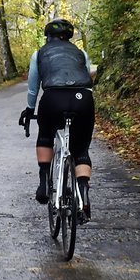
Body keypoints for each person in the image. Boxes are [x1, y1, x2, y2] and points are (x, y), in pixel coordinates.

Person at [19, 18, 95, 220]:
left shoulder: (40, 54)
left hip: (53, 98)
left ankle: (44, 183)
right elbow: (88, 76)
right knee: (81, 149)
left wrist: (29, 110)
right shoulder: (81, 53)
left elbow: (33, 87)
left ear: (48, 37)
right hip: (83, 98)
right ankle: (83, 196)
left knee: (45, 135)